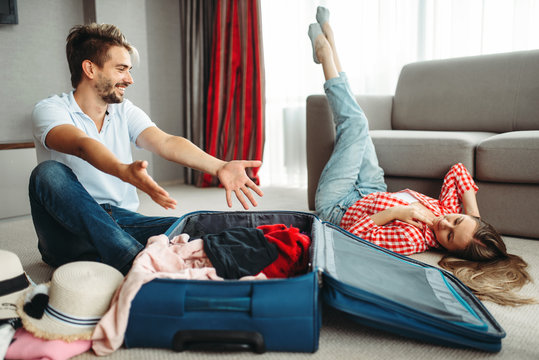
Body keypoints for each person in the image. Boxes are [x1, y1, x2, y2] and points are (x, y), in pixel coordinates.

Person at [308, 7, 533, 306]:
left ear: (449, 250)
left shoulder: (413, 239)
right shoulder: (448, 209)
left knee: (356, 124)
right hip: (372, 186)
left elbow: (353, 236)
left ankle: (326, 54)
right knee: (357, 123)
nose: (445, 224)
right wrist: (472, 215)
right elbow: (458, 171)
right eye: (455, 220)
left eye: (450, 236)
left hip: (339, 204)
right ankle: (331, 53)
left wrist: (396, 214)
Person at [29, 23, 263, 275]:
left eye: (129, 70)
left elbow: (165, 141)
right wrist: (122, 171)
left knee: (196, 227)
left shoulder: (123, 110)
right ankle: (135, 263)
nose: (129, 79)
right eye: (121, 69)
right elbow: (81, 145)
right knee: (47, 173)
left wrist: (219, 166)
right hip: (67, 233)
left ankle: (129, 254)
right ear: (90, 69)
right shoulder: (50, 110)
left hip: (120, 223)